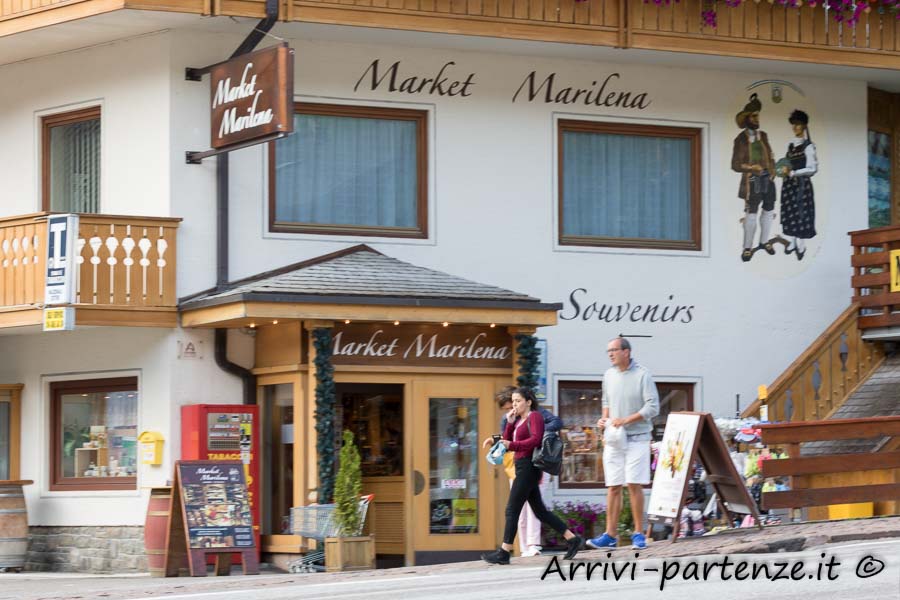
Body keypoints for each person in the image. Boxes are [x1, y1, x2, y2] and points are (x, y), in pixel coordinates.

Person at [481, 387, 582, 564]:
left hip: (529, 467)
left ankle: (504, 552)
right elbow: (506, 441)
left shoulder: (534, 416)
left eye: (518, 401)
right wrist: (510, 423)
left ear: (528, 402)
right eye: (513, 402)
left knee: (512, 509)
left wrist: (512, 444)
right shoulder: (517, 420)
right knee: (540, 512)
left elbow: (535, 440)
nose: (514, 405)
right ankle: (573, 539)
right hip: (521, 467)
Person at [586, 337, 659, 550]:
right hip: (614, 438)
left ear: (626, 351)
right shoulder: (608, 375)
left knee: (634, 485)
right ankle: (610, 535)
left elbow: (653, 408)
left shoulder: (643, 375)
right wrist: (603, 421)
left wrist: (626, 420)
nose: (610, 354)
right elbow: (606, 402)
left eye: (614, 350)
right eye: (608, 350)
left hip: (637, 437)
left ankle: (639, 534)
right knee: (613, 486)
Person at [481, 386, 543, 556]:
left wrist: (545, 433)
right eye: (508, 407)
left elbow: (549, 426)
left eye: (513, 404)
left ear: (523, 401)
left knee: (531, 510)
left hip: (531, 465)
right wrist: (493, 440)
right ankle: (523, 547)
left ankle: (531, 545)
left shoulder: (534, 414)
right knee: (522, 510)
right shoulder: (509, 417)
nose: (511, 409)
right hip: (515, 466)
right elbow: (507, 436)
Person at [731, 93, 777, 263]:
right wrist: (751, 167)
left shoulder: (763, 135)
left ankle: (764, 242)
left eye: (758, 115)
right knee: (751, 214)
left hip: (767, 178)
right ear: (747, 119)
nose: (757, 119)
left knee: (769, 210)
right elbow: (735, 164)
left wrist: (772, 169)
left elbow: (770, 155)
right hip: (752, 180)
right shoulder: (740, 139)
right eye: (754, 116)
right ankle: (747, 247)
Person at [777, 109, 818, 261]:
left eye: (798, 124)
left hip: (801, 185)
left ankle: (801, 243)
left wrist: (794, 173)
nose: (795, 127)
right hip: (789, 185)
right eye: (793, 124)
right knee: (790, 212)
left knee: (801, 213)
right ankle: (793, 241)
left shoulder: (808, 146)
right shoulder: (791, 145)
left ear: (804, 126)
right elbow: (786, 163)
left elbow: (813, 169)